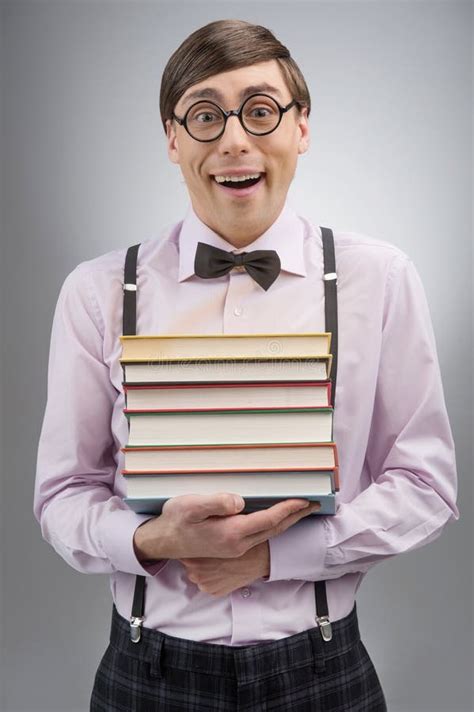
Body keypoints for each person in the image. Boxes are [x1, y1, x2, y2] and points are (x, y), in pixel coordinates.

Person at [34, 18, 459, 712]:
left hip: (323, 673)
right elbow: (60, 496)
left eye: (260, 111)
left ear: (302, 128)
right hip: (149, 676)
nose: (235, 139)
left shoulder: (380, 279)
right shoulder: (97, 291)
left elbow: (427, 487)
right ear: (172, 139)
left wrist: (271, 559)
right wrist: (150, 538)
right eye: (205, 115)